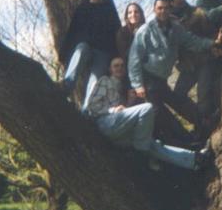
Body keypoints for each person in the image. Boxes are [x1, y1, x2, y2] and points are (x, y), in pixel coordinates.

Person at [84, 57, 212, 171]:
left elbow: (124, 114)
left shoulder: (123, 88)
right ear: (110, 69)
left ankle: (195, 160)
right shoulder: (105, 81)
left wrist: (129, 103)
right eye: (116, 65)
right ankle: (142, 151)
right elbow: (92, 106)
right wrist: (112, 110)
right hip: (105, 123)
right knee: (147, 109)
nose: (119, 68)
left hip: (120, 132)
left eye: (122, 65)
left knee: (153, 145)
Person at [128, 0, 222, 142]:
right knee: (159, 112)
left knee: (178, 101)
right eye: (159, 8)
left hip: (161, 79)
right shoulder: (145, 31)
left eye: (166, 8)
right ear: (154, 10)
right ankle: (187, 140)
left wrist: (212, 44)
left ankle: (205, 124)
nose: (163, 11)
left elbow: (192, 41)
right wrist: (138, 85)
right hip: (148, 79)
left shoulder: (176, 28)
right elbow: (134, 59)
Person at [58, 0, 121, 106]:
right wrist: (63, 54)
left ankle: (87, 111)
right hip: (86, 46)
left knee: (95, 82)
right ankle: (66, 87)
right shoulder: (82, 8)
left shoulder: (109, 10)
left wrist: (115, 57)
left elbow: (116, 34)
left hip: (103, 51)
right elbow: (72, 31)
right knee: (81, 49)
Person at [166, 0, 216, 117]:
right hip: (187, 65)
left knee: (203, 96)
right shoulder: (168, 21)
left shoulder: (197, 13)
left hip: (205, 59)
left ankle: (206, 123)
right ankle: (199, 121)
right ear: (171, 2)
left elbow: (210, 33)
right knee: (177, 95)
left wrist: (214, 46)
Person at [115, 2, 146, 106]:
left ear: (141, 14)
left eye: (136, 12)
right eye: (130, 12)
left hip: (149, 70)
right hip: (130, 73)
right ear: (126, 16)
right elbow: (124, 55)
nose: (133, 14)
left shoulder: (148, 29)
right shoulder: (122, 32)